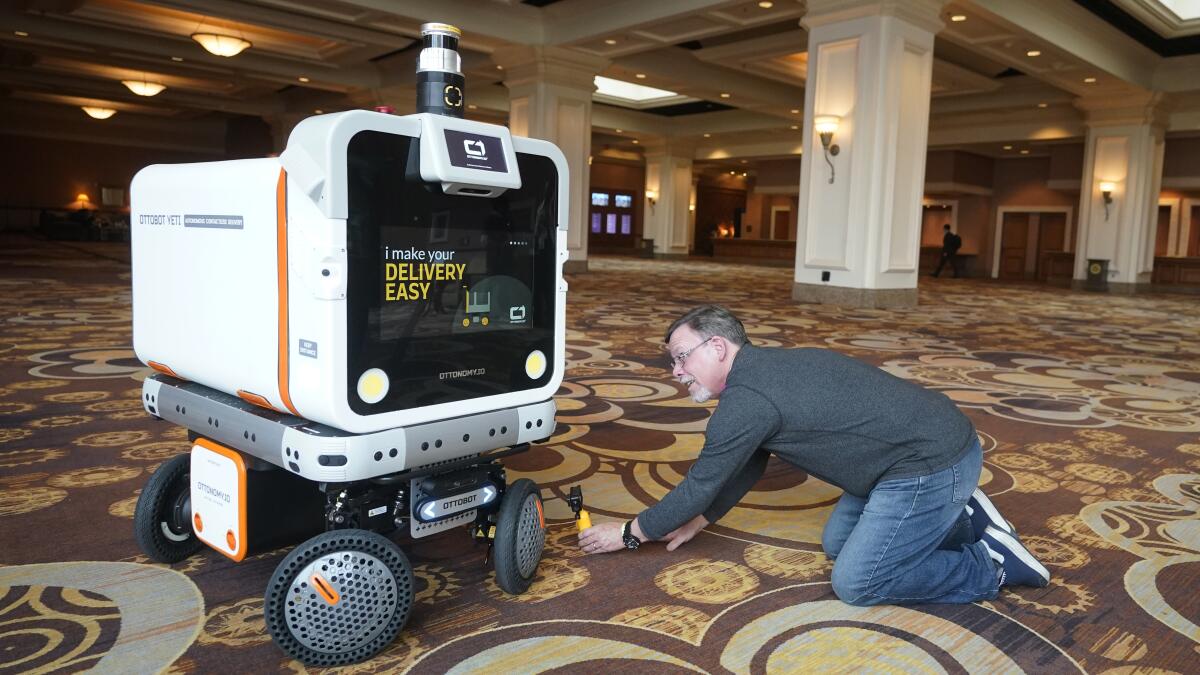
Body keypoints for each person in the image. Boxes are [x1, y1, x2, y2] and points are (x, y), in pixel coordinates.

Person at [578, 305, 1050, 606]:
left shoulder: (746, 401)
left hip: (929, 464)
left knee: (859, 582)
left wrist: (630, 533)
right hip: (912, 456)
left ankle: (991, 563)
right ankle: (962, 515)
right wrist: (703, 520)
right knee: (838, 544)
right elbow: (752, 459)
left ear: (718, 346)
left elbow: (699, 483)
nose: (676, 372)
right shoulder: (764, 369)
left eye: (682, 357)